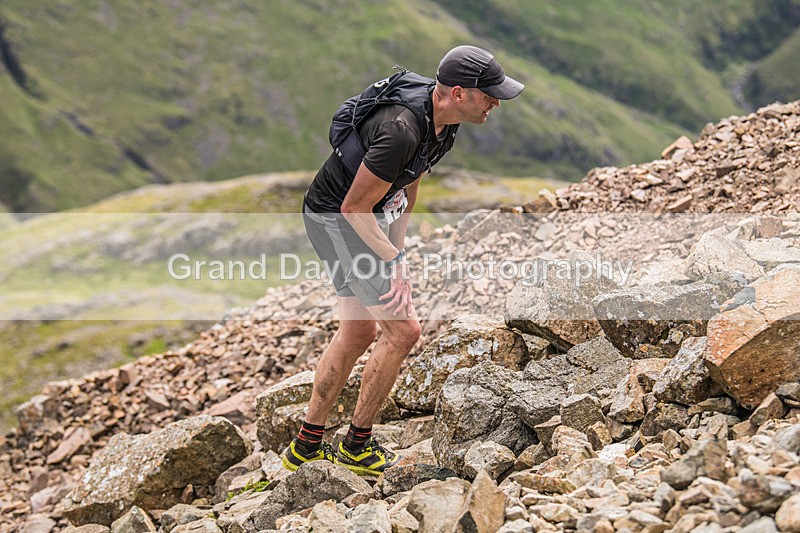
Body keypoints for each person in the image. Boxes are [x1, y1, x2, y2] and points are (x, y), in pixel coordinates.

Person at [282, 45, 524, 476]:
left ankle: (306, 446)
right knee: (404, 331)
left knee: (358, 333)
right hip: (337, 219)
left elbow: (408, 186)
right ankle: (356, 447)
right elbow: (354, 208)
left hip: (364, 216)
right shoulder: (401, 131)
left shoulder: (443, 122)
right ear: (458, 93)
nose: (496, 103)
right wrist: (395, 264)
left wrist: (399, 251)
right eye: (489, 94)